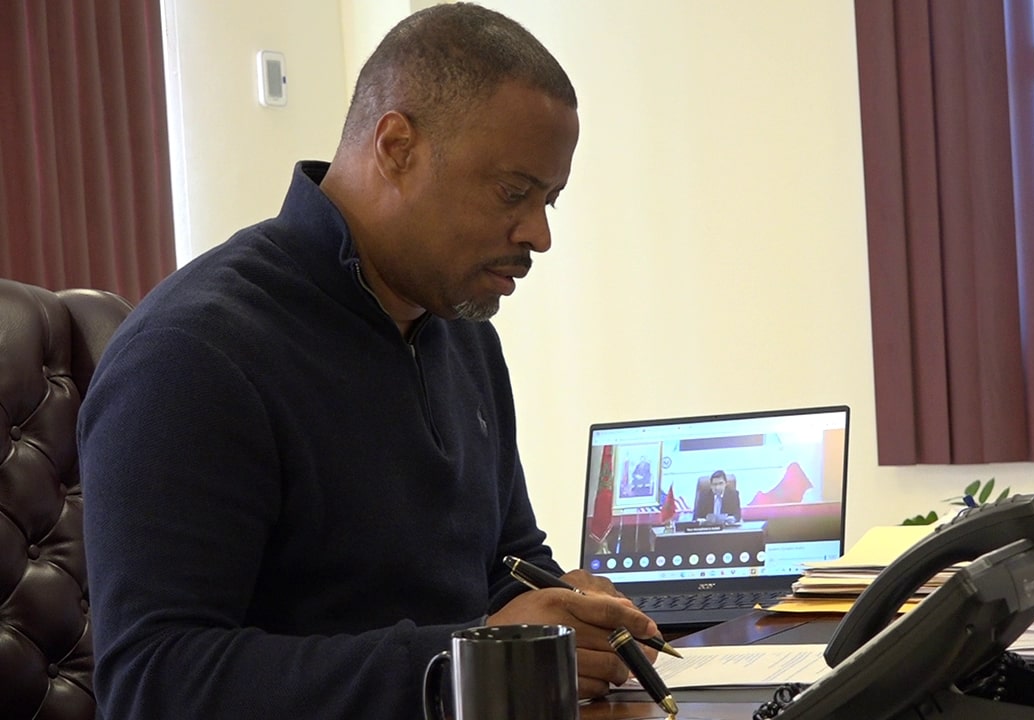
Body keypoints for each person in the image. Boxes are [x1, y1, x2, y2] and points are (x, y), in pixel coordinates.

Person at [78, 5, 658, 719]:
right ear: (396, 146)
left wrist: (571, 618)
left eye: (550, 201)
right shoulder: (193, 355)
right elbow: (153, 683)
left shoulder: (463, 335)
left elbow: (507, 564)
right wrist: (463, 656)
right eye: (513, 192)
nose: (538, 234)